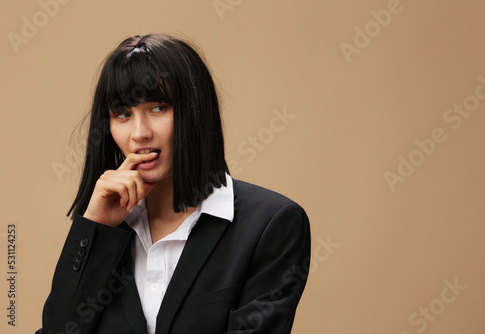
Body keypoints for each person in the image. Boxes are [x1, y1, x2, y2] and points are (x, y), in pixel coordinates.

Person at [36, 33, 311, 334]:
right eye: (123, 114)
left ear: (195, 112)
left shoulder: (270, 225)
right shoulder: (109, 226)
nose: (139, 133)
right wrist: (93, 228)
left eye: (158, 108)